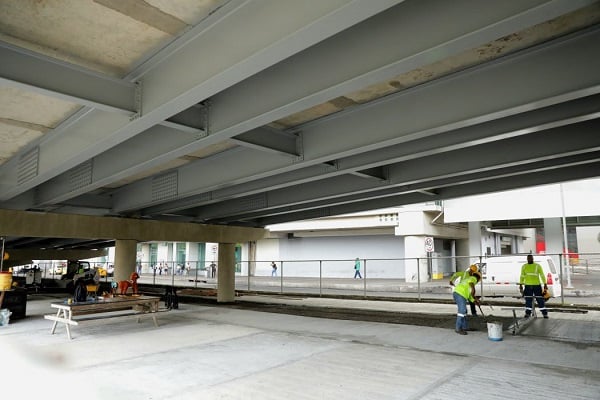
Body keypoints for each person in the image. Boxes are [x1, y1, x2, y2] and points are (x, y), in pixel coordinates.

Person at [519, 254, 549, 319]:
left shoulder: (537, 266)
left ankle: (544, 313)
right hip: (527, 285)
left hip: (537, 285)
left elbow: (542, 275)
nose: (530, 259)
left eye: (531, 258)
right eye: (529, 258)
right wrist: (521, 284)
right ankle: (528, 313)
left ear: (533, 258)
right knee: (528, 300)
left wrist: (545, 284)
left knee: (540, 299)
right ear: (527, 259)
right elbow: (522, 276)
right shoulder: (524, 266)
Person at [452, 270, 481, 335]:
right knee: (462, 311)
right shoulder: (473, 278)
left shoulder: (468, 281)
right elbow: (472, 289)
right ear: (478, 278)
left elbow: (470, 296)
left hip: (459, 293)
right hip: (460, 294)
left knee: (464, 312)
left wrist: (475, 302)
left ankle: (465, 327)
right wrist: (475, 296)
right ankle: (458, 328)